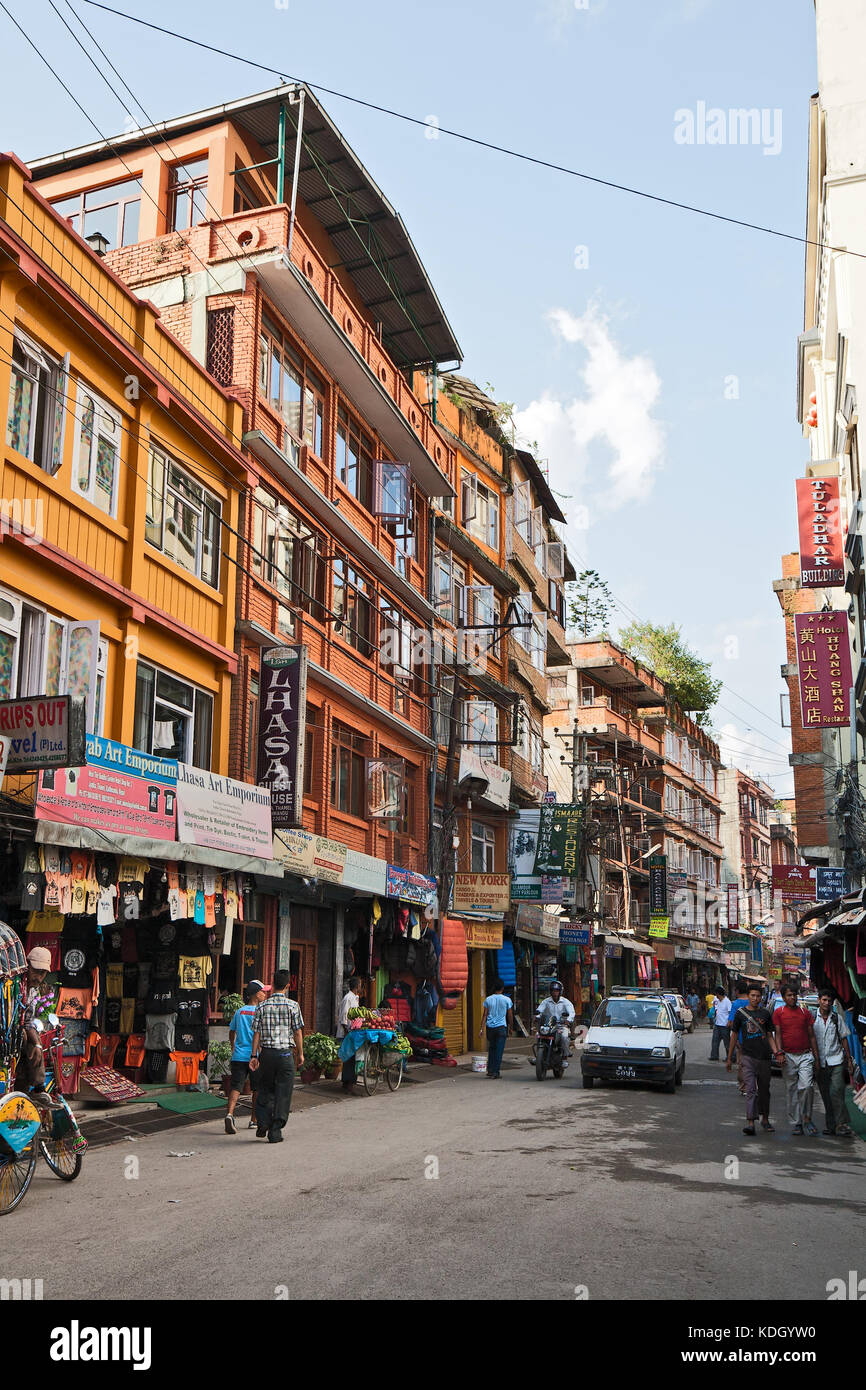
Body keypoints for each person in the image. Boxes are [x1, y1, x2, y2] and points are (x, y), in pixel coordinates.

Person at [248, 969, 305, 1144]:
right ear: (288, 986)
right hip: (285, 1054)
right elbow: (297, 1033)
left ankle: (263, 1122)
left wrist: (254, 1055)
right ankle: (275, 1131)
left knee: (265, 1088)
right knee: (283, 1093)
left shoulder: (261, 1006)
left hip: (267, 1054)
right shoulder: (293, 1005)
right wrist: (300, 1054)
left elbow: (256, 1033)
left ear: (272, 985)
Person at [726, 984, 782, 1135]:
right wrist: (729, 1058)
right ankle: (750, 1122)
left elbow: (770, 1036)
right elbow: (734, 1035)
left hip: (764, 1057)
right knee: (750, 1089)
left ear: (761, 997)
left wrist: (777, 1052)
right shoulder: (740, 1014)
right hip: (748, 1057)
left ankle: (765, 1119)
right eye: (753, 996)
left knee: (764, 1090)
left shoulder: (765, 1014)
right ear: (748, 996)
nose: (755, 998)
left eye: (758, 996)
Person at [16, 946, 63, 1108]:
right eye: (35, 971)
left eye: (43, 973)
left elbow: (29, 1021)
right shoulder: (15, 984)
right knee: (24, 1036)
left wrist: (36, 1044)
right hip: (8, 1031)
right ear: (27, 966)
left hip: (20, 1031)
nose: (38, 977)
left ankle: (38, 1089)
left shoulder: (34, 991)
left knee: (35, 1041)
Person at [774, 985, 820, 1136]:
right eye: (789, 995)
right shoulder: (779, 1012)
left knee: (806, 1086)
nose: (792, 998)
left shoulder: (805, 1012)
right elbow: (778, 1034)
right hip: (787, 1056)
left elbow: (812, 1036)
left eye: (794, 995)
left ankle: (807, 1118)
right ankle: (796, 1123)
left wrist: (816, 1057)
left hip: (805, 1055)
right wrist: (779, 1053)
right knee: (791, 1090)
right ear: (783, 997)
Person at [224, 981, 266, 1134]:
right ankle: (253, 1120)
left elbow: (231, 1031)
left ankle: (229, 1114)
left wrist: (233, 1045)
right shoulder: (260, 1012)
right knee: (256, 1089)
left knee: (236, 1087)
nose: (264, 994)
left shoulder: (239, 1012)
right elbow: (261, 1035)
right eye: (262, 992)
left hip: (239, 1055)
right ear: (256, 994)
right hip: (255, 1056)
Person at [813, 989, 854, 1138]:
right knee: (826, 1095)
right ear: (819, 1000)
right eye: (824, 1000)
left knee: (836, 1091)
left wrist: (848, 1059)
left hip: (836, 1060)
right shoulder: (812, 1018)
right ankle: (831, 1126)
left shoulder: (837, 1018)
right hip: (819, 1063)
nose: (826, 1003)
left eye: (829, 1001)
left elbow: (844, 1038)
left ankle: (841, 1124)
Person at [535, 980, 575, 1070]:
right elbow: (540, 1010)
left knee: (564, 1037)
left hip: (561, 1025)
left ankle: (564, 1058)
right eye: (553, 990)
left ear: (560, 991)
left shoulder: (565, 1002)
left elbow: (571, 1013)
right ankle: (539, 1056)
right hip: (548, 1025)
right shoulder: (546, 1001)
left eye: (557, 990)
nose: (555, 992)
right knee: (538, 1035)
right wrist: (537, 1016)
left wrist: (568, 1020)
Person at [479, 978, 513, 1079]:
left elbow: (485, 1015)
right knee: (499, 1050)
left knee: (492, 1048)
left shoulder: (488, 999)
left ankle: (490, 1070)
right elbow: (510, 1015)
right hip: (501, 1028)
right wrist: (511, 1027)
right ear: (502, 988)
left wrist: (481, 1028)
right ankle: (496, 1072)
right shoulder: (507, 1000)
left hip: (490, 1028)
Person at [338, 975, 362, 1091]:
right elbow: (343, 1017)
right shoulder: (348, 998)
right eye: (360, 985)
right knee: (349, 1059)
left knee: (351, 1058)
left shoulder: (355, 998)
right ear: (357, 986)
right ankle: (348, 1083)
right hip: (347, 1033)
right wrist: (347, 1031)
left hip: (352, 1032)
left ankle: (348, 1082)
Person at [729, 982, 750, 1094]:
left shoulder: (736, 1004)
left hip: (740, 1038)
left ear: (737, 991)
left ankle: (744, 1086)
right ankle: (751, 1084)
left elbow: (731, 1023)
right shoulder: (753, 1001)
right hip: (754, 1039)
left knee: (742, 1063)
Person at [709, 987, 732, 1060]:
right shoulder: (717, 1001)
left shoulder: (727, 1001)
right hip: (717, 1024)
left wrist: (729, 1022)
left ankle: (730, 1057)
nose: (716, 996)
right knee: (715, 1041)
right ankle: (714, 1056)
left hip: (725, 1025)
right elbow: (715, 1007)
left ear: (719, 994)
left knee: (727, 1043)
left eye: (717, 994)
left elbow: (730, 1012)